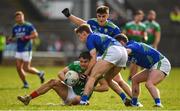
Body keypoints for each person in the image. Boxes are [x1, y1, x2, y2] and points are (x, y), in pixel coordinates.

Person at [62, 5, 132, 99]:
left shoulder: (114, 28)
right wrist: (69, 15)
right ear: (96, 15)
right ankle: (127, 99)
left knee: (117, 80)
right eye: (99, 16)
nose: (101, 18)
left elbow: (121, 42)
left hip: (111, 55)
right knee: (103, 78)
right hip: (100, 56)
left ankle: (82, 96)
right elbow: (82, 24)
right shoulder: (92, 22)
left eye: (103, 16)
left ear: (107, 16)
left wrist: (125, 54)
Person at [17, 51, 108, 105]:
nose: (83, 64)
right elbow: (60, 72)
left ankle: (71, 104)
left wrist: (91, 87)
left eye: (85, 62)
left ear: (90, 62)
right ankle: (28, 98)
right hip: (69, 91)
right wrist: (66, 80)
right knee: (53, 81)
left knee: (77, 99)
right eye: (81, 61)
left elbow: (105, 87)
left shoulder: (95, 70)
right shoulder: (76, 65)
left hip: (81, 97)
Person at [74, 24, 131, 106]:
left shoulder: (89, 38)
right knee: (108, 79)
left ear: (84, 33)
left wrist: (86, 73)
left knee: (93, 76)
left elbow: (93, 58)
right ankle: (124, 98)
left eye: (80, 36)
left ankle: (83, 101)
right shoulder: (97, 35)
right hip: (123, 52)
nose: (80, 38)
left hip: (114, 51)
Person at [115, 34, 171, 107]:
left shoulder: (132, 45)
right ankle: (134, 103)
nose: (115, 47)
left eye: (116, 44)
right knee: (134, 79)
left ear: (122, 42)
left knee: (149, 84)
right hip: (152, 66)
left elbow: (125, 52)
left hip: (160, 62)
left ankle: (158, 104)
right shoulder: (129, 49)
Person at [9, 11, 45, 88]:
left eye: (20, 17)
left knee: (26, 68)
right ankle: (25, 84)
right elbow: (13, 35)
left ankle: (39, 73)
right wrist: (9, 39)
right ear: (15, 19)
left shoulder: (28, 25)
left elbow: (35, 35)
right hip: (19, 50)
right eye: (17, 17)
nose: (19, 18)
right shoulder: (15, 27)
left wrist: (27, 37)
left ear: (23, 17)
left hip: (27, 49)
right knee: (18, 68)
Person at [123, 10, 147, 84]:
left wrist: (145, 38)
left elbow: (145, 35)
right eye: (138, 16)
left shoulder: (143, 26)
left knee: (136, 63)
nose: (139, 18)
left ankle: (132, 77)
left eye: (141, 17)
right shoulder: (128, 25)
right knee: (134, 62)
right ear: (135, 16)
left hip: (139, 45)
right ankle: (131, 77)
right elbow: (123, 34)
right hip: (130, 45)